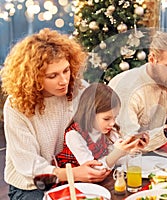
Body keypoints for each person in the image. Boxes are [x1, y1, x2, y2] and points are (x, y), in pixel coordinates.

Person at [1, 28, 108, 200]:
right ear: (34, 78)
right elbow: (28, 163)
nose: (64, 80)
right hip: (33, 184)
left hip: (74, 172)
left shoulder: (79, 89)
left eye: (66, 70)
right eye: (52, 76)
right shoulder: (16, 106)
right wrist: (71, 174)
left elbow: (98, 127)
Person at [108, 31, 167, 151]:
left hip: (156, 154)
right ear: (152, 59)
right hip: (124, 159)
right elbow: (130, 142)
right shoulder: (129, 88)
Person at [55, 83, 149, 169]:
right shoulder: (74, 135)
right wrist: (117, 153)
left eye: (115, 117)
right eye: (106, 119)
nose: (112, 123)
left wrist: (132, 149)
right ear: (90, 114)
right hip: (76, 183)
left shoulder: (109, 131)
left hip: (101, 180)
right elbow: (93, 169)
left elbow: (117, 161)